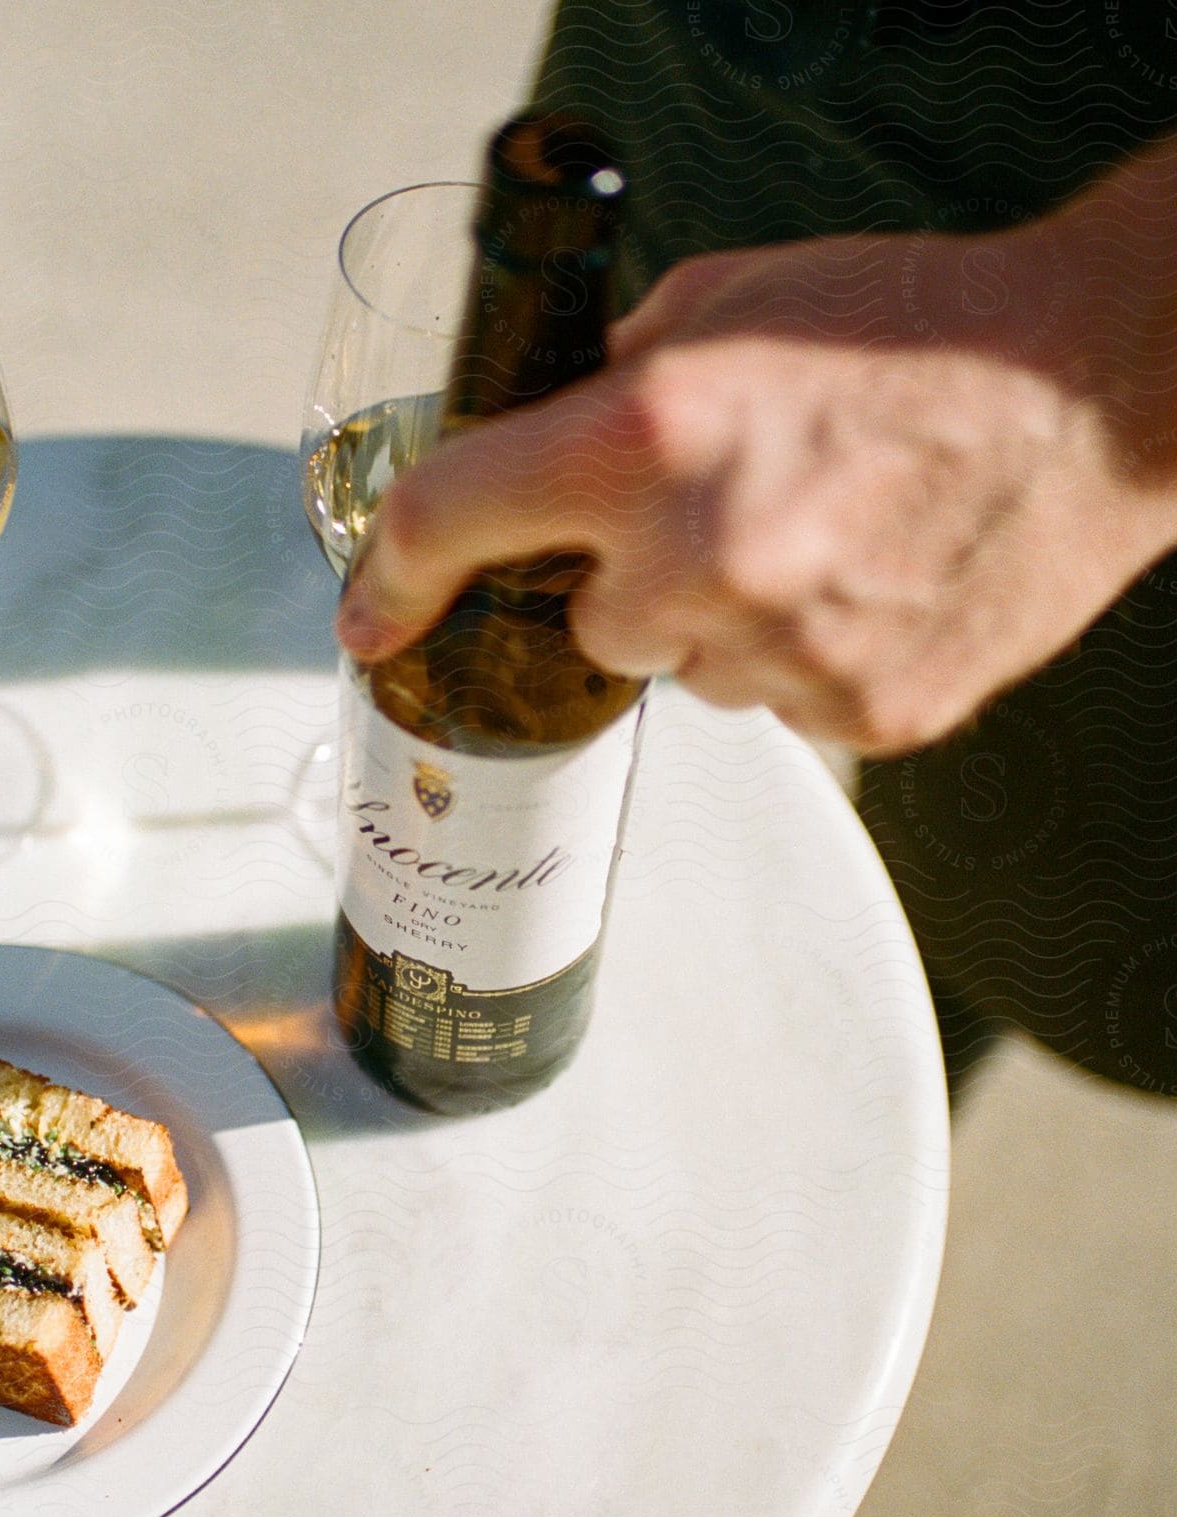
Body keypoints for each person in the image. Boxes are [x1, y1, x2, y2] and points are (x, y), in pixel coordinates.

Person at [336, 0, 1177, 1099]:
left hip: (1085, 154)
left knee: (1003, 918)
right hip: (685, 81)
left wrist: (1109, 361)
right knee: (598, 613)